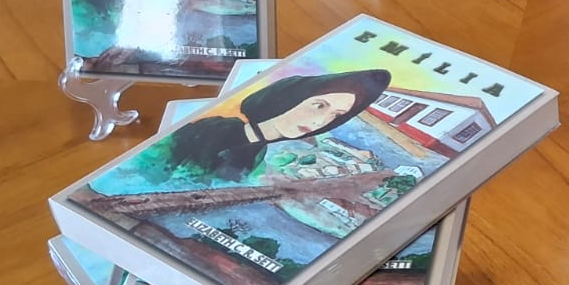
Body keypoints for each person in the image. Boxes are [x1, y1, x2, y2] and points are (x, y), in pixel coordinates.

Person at [152, 68, 391, 181]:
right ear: (290, 97)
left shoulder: (259, 153)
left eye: (336, 115)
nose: (320, 121)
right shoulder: (211, 129)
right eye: (319, 105)